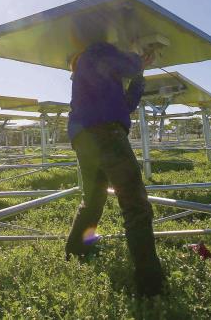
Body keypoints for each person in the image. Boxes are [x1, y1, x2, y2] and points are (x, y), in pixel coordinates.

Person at [65, 41, 164, 297]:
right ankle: (150, 284)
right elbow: (129, 65)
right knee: (135, 204)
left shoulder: (100, 82)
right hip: (106, 134)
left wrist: (139, 72)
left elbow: (126, 105)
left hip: (86, 139)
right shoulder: (95, 51)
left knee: (94, 199)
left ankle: (76, 250)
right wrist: (139, 61)